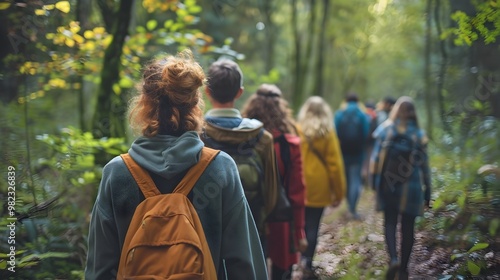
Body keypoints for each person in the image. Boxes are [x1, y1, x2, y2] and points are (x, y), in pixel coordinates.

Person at [84, 50, 268, 280]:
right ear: (195, 103)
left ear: (143, 102)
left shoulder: (117, 172)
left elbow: (99, 269)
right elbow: (243, 263)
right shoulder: (221, 168)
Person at [201, 59, 279, 255]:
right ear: (240, 93)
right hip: (250, 230)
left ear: (207, 91)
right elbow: (271, 193)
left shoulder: (197, 136)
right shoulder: (262, 138)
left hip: (207, 234)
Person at [241, 84, 308, 280]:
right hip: (281, 218)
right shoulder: (290, 145)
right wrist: (299, 230)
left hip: (251, 215)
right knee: (281, 272)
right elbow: (297, 191)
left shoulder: (243, 141)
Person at [369, 96, 431, 280]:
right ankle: (404, 269)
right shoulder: (419, 135)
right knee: (408, 228)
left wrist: (374, 184)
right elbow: (425, 167)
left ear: (396, 110)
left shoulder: (385, 129)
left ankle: (393, 259)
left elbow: (375, 160)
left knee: (389, 222)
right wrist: (428, 192)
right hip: (411, 189)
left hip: (389, 186)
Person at [297, 96, 347, 279]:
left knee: (299, 224)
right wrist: (339, 193)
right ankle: (307, 262)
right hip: (320, 185)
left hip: (299, 183)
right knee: (313, 225)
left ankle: (299, 259)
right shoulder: (328, 132)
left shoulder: (297, 129)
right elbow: (335, 165)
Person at [334, 93, 370, 220]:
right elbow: (366, 133)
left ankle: (349, 205)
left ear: (346, 101)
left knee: (347, 180)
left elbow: (335, 132)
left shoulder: (340, 114)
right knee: (355, 179)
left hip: (343, 152)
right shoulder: (361, 114)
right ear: (357, 101)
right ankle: (352, 208)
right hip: (357, 153)